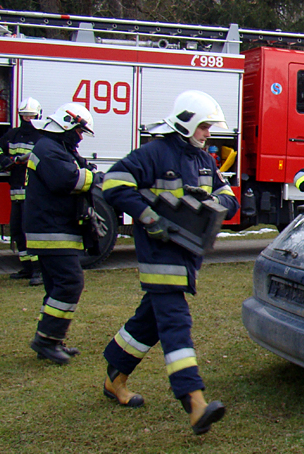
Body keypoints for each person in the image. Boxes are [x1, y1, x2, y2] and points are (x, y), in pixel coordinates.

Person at [101, 90, 240, 435]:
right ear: (186, 123)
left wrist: (209, 200)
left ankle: (114, 378)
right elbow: (113, 182)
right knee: (176, 324)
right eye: (204, 127)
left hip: (187, 256)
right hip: (160, 257)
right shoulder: (153, 152)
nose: (208, 134)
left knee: (147, 323)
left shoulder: (204, 160)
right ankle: (194, 403)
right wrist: (149, 217)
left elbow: (230, 199)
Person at [24, 103, 98, 364]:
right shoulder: (49, 150)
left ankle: (51, 338)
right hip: (51, 229)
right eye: (79, 131)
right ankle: (46, 341)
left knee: (56, 286)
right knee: (70, 283)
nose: (79, 137)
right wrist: (94, 178)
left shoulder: (55, 147)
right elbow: (67, 180)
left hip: (53, 228)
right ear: (67, 124)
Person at [0, 97, 44, 286]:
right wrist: (2, 159)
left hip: (33, 195)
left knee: (31, 232)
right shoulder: (13, 135)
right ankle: (27, 268)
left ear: (38, 116)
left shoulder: (42, 138)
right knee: (17, 232)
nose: (28, 119)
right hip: (16, 194)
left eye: (31, 116)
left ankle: (39, 271)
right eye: (25, 115)